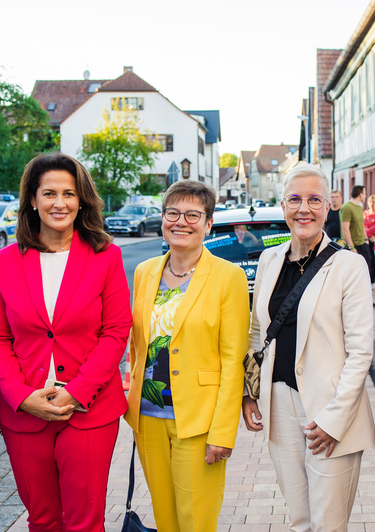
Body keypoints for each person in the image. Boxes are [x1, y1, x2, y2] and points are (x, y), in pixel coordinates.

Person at [0, 153, 132, 531]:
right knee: (42, 519)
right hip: (25, 413)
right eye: (49, 193)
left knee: (84, 521)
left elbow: (116, 331)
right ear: (32, 200)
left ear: (81, 199)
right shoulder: (2, 262)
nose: (59, 203)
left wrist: (78, 392)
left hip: (89, 411)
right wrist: (20, 395)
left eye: (69, 193)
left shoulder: (106, 257)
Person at [242, 165, 375, 532]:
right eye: (295, 199)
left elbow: (361, 350)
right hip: (279, 404)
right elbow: (258, 331)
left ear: (327, 207)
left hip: (330, 409)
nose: (305, 208)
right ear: (283, 205)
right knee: (300, 520)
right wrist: (251, 392)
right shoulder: (269, 259)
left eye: (315, 199)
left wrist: (335, 420)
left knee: (328, 525)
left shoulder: (349, 265)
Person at [125, 180, 250, 532]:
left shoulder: (229, 278)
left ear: (209, 223)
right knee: (165, 519)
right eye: (173, 213)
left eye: (193, 214)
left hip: (198, 421)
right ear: (163, 219)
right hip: (147, 417)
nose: (181, 221)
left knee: (195, 520)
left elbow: (232, 360)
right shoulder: (145, 272)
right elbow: (138, 346)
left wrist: (223, 431)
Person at [364, 194, 375, 283]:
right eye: (370, 202)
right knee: (369, 259)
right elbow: (363, 227)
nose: (372, 203)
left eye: (373, 202)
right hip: (367, 239)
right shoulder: (365, 213)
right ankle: (369, 280)